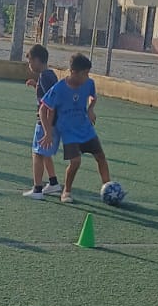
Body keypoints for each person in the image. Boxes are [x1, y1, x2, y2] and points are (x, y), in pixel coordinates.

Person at [37, 52, 112, 204]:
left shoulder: (89, 83)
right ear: (73, 72)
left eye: (88, 73)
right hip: (69, 132)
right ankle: (66, 191)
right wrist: (47, 132)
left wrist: (90, 109)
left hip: (86, 128)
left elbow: (93, 97)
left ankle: (108, 188)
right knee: (76, 162)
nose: (87, 77)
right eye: (84, 74)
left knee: (100, 157)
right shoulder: (59, 88)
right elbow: (43, 109)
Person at [22, 43, 62, 199]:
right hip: (51, 123)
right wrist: (36, 86)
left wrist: (47, 129)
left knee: (37, 154)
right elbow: (48, 97)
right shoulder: (49, 75)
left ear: (37, 60)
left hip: (45, 122)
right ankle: (53, 183)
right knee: (45, 153)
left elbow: (51, 105)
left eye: (30, 61)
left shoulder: (45, 77)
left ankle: (37, 189)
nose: (29, 65)